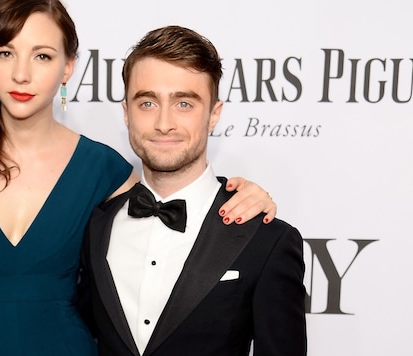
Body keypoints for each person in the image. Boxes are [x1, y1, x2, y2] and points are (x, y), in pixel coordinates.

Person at [0, 1, 277, 355]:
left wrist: (248, 195)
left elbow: (178, 209)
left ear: (67, 68)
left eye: (42, 56)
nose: (21, 73)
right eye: (6, 53)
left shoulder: (107, 172)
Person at [81, 25, 307, 356]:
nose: (164, 122)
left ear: (214, 114)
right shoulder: (94, 226)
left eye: (184, 104)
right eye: (147, 103)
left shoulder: (267, 240)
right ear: (126, 112)